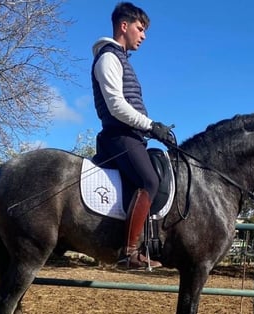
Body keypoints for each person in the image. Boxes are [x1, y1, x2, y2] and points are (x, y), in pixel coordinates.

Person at [91, 2, 174, 269]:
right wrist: (151, 125)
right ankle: (128, 252)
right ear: (124, 26)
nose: (144, 35)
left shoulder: (122, 60)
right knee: (149, 180)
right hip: (119, 135)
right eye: (140, 28)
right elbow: (116, 105)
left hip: (131, 136)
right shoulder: (108, 58)